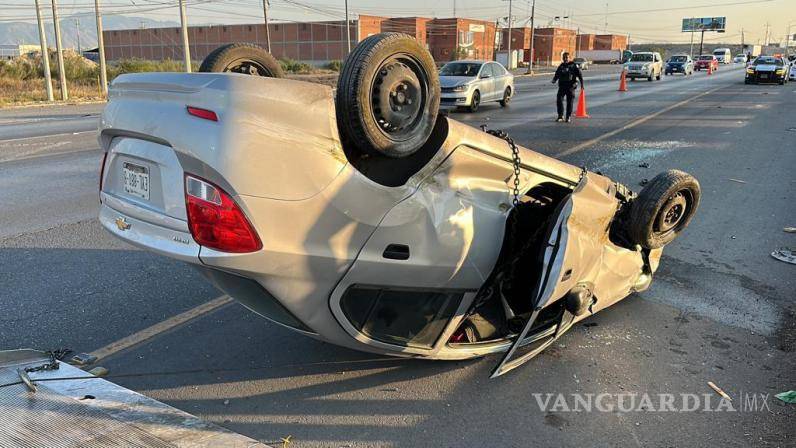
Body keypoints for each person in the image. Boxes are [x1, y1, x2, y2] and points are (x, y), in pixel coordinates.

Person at [551, 52, 584, 122]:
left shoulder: (573, 65)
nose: (565, 59)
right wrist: (554, 79)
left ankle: (568, 116)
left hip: (570, 86)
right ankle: (560, 116)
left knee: (570, 102)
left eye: (567, 57)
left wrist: (582, 85)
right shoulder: (561, 66)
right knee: (559, 100)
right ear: (562, 58)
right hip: (562, 86)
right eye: (564, 57)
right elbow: (557, 74)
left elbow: (580, 75)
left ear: (569, 58)